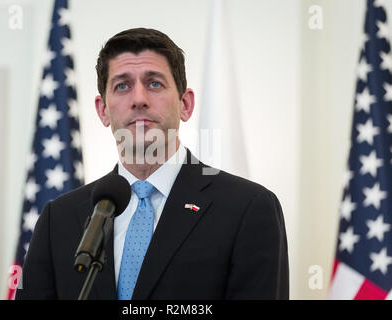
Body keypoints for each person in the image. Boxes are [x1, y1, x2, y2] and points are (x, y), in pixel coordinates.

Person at [15, 28, 289, 300]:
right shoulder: (58, 220)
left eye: (154, 83)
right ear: (102, 110)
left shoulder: (248, 208)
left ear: (185, 104)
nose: (138, 100)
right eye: (122, 86)